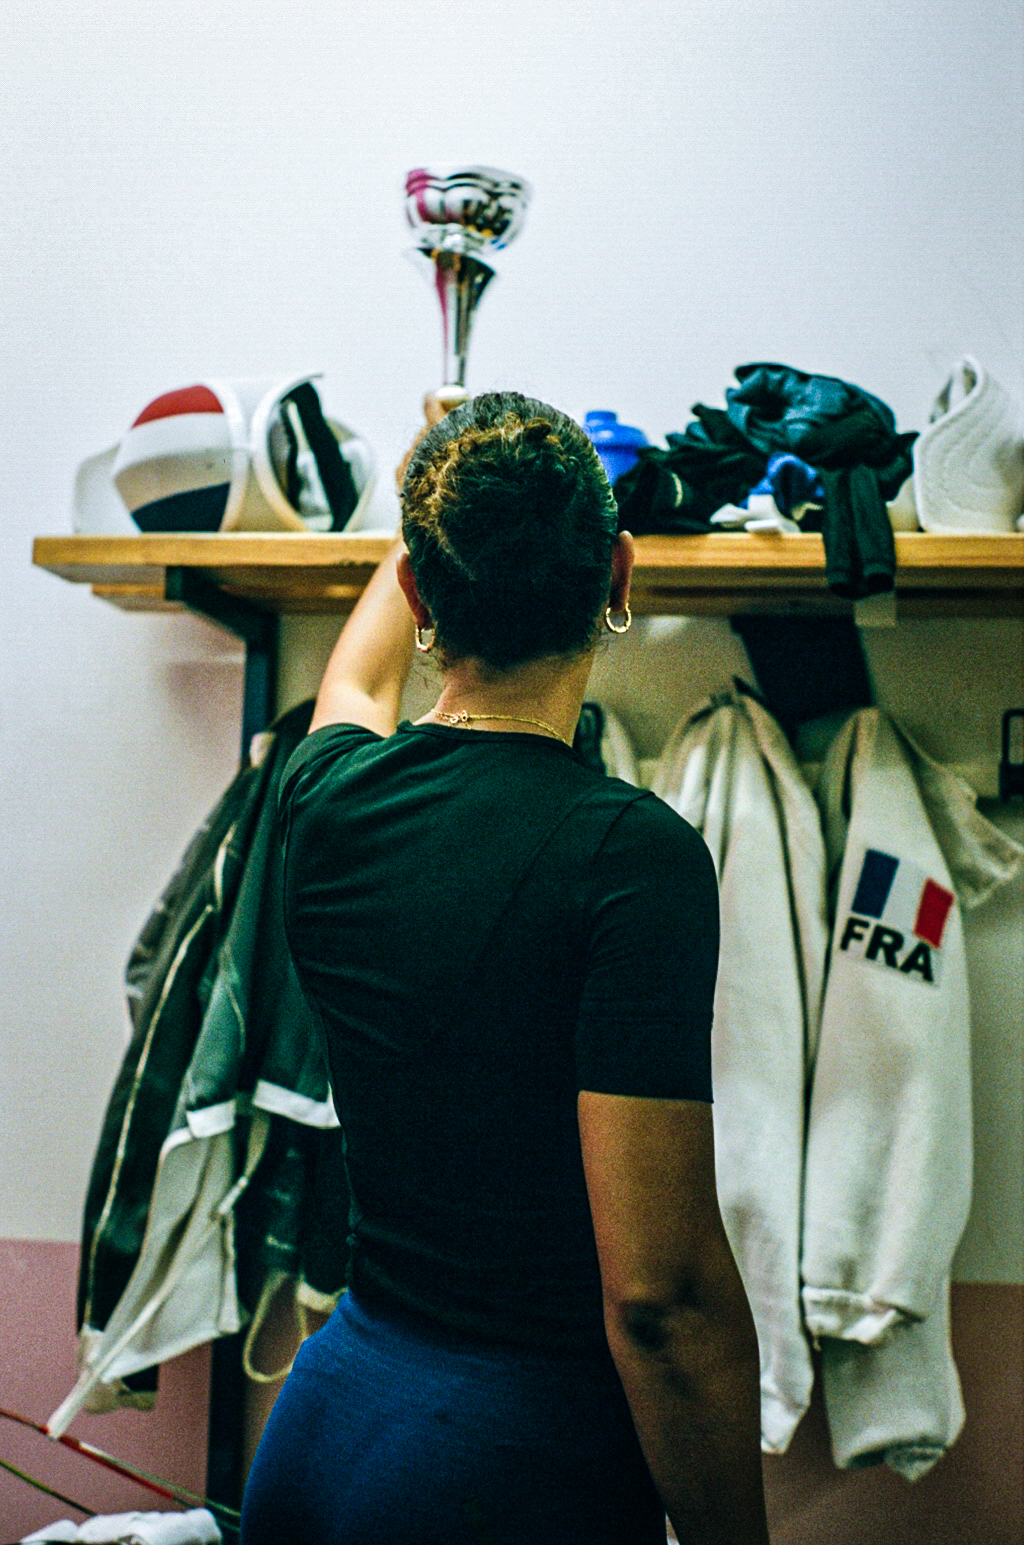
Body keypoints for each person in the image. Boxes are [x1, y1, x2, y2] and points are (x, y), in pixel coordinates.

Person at [240, 391, 769, 1545]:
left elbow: (357, 685)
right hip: (509, 1469)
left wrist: (445, 494)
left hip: (324, 1434)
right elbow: (659, 1298)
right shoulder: (632, 857)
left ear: (425, 589)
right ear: (619, 576)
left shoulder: (328, 801)